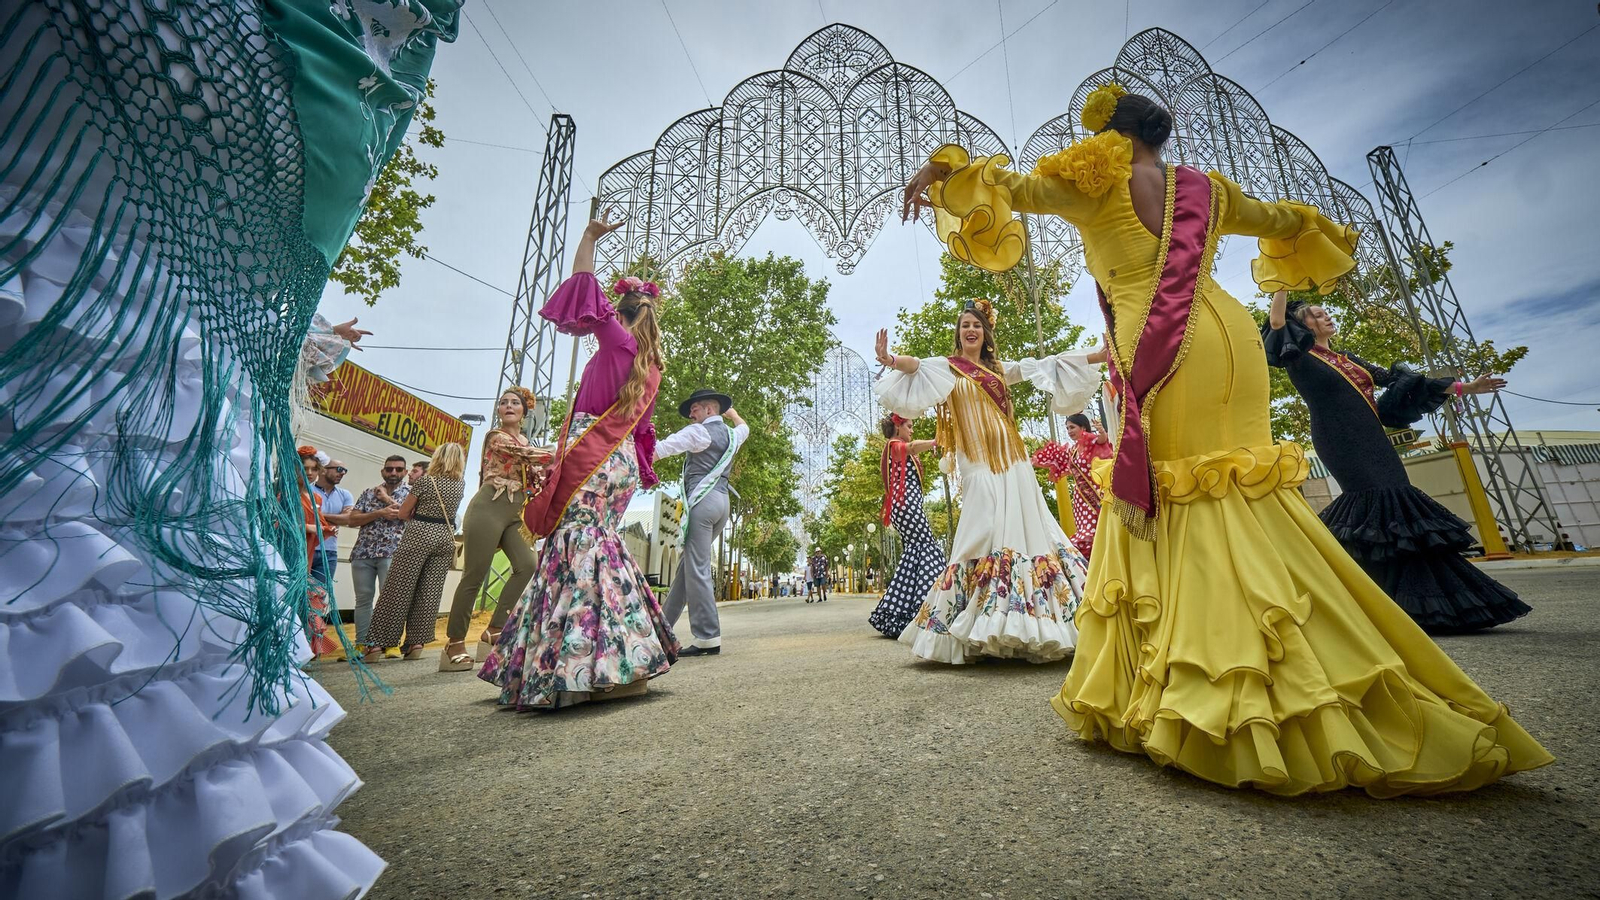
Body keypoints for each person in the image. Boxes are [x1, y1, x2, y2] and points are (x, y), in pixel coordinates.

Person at [904, 84, 1550, 792]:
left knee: (1182, 498)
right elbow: (1288, 221)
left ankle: (1233, 683)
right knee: (1247, 496)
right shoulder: (1207, 189)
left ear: (1111, 137)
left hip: (1164, 346)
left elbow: (1009, 191)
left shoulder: (1091, 180)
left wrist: (941, 170)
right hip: (1231, 341)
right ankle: (1314, 648)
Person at [478, 211, 678, 708]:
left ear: (625, 311)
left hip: (596, 457)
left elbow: (584, 285)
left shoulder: (617, 342)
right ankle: (624, 660)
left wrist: (589, 237)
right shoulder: (651, 364)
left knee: (576, 548)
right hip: (622, 460)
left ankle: (572, 669)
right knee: (599, 547)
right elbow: (645, 432)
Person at [1264, 290, 1531, 632]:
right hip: (1339, 439)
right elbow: (1276, 322)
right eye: (1315, 315)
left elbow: (1401, 381)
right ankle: (1359, 598)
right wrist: (1279, 282)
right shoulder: (1298, 354)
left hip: (1374, 439)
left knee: (1399, 509)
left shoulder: (1346, 358)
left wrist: (1465, 388)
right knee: (1376, 504)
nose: (1325, 316)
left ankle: (1422, 604)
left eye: (1324, 311)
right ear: (1300, 327)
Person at [874, 300, 1096, 664]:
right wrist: (891, 359)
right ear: (958, 333)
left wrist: (1098, 356)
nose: (970, 330)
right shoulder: (948, 369)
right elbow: (915, 366)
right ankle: (971, 624)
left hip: (1013, 460)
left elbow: (1045, 366)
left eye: (976, 324)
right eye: (964, 325)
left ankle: (1032, 624)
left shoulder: (998, 369)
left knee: (1028, 531)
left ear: (985, 332)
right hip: (976, 462)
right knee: (980, 531)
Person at [440, 386, 551, 670]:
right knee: (474, 576)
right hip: (488, 507)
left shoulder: (527, 440)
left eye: (515, 402)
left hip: (516, 511)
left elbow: (538, 474)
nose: (508, 406)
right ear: (499, 411)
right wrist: (560, 453)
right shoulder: (496, 437)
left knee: (528, 565)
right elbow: (521, 454)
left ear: (525, 412)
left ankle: (495, 628)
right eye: (503, 403)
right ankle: (454, 641)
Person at [656, 389, 750, 656]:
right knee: (688, 569)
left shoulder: (698, 433)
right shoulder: (732, 435)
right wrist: (732, 414)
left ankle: (707, 637)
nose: (690, 415)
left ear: (709, 410)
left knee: (697, 569)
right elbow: (745, 428)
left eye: (695, 409)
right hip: (722, 504)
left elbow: (661, 449)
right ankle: (661, 631)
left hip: (703, 503)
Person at [365, 443, 467, 663]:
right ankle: (416, 642)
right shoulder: (460, 484)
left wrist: (415, 515)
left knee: (398, 588)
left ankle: (377, 643)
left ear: (437, 458)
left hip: (419, 533)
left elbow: (402, 512)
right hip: (445, 537)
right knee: (429, 592)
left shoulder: (426, 481)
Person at [867, 414, 948, 638]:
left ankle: (901, 611)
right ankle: (930, 606)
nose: (911, 430)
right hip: (906, 506)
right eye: (909, 426)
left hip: (904, 507)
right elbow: (912, 447)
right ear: (897, 426)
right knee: (927, 549)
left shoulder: (895, 447)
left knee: (915, 553)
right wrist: (935, 441)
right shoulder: (894, 445)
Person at [345, 455, 411, 648]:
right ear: (383, 471)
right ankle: (363, 643)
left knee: (389, 599)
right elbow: (353, 520)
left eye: (399, 469)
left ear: (405, 472)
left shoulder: (411, 493)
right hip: (363, 552)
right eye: (389, 469)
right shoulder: (369, 493)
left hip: (393, 552)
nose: (393, 473)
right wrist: (379, 513)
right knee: (363, 599)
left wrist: (386, 500)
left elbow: (412, 518)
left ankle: (389, 643)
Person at [297, 447, 340, 659]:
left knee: (314, 599)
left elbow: (319, 523)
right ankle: (301, 648)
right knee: (300, 599)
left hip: (309, 552)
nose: (310, 473)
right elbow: (281, 523)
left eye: (314, 469)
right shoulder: (287, 492)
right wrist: (314, 528)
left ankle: (308, 648)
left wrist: (322, 528)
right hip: (293, 553)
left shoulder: (315, 497)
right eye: (305, 468)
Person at [1061, 413, 1114, 558]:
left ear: (1083, 427)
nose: (1069, 431)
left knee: (1097, 529)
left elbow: (1102, 440)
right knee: (1084, 530)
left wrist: (1101, 431)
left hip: (1095, 493)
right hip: (1080, 499)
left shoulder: (1089, 440)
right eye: (1067, 428)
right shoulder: (1072, 451)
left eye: (1072, 427)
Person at [310, 456, 354, 586]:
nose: (342, 473)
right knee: (296, 593)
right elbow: (304, 516)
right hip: (307, 548)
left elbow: (348, 519)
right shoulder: (308, 490)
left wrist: (319, 515)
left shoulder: (345, 494)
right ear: (323, 470)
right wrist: (336, 518)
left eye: (345, 470)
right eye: (339, 469)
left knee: (319, 595)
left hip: (329, 553)